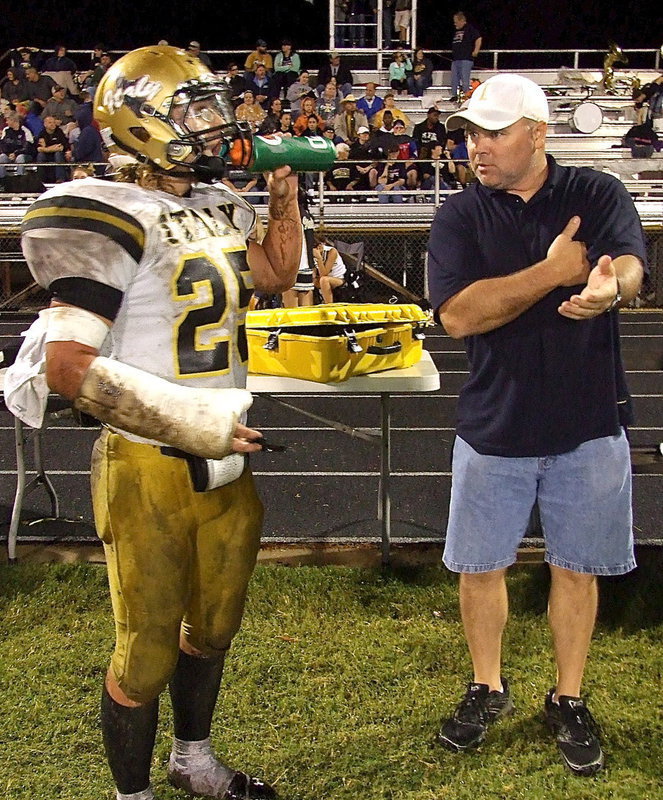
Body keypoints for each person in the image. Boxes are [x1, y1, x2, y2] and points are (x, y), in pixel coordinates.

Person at [11, 45, 301, 800]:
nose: (217, 125)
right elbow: (69, 368)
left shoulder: (217, 202)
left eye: (214, 108)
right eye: (195, 112)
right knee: (144, 654)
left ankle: (192, 757)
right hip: (148, 460)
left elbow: (274, 274)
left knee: (214, 627)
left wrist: (282, 194)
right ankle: (129, 794)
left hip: (225, 455)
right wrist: (184, 421)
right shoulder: (105, 212)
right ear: (139, 123)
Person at [427, 74, 646, 777]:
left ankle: (568, 696)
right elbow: (458, 315)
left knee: (576, 572)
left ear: (537, 133)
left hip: (588, 424)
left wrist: (612, 285)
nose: (476, 146)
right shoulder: (459, 214)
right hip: (494, 425)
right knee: (478, 568)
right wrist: (552, 273)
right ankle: (486, 685)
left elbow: (633, 266)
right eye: (470, 133)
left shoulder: (595, 192)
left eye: (492, 132)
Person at [450, 11, 482, 101]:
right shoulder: (456, 31)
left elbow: (478, 38)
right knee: (454, 79)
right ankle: (455, 95)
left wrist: (476, 51)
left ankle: (466, 96)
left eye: (456, 21)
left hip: (466, 59)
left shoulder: (469, 29)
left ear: (461, 21)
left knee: (465, 79)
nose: (454, 23)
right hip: (456, 59)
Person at [313, 235, 346, 301]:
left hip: (338, 278)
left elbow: (324, 274)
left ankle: (328, 305)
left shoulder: (331, 251)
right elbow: (313, 273)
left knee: (324, 280)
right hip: (321, 279)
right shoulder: (311, 254)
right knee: (309, 281)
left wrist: (319, 258)